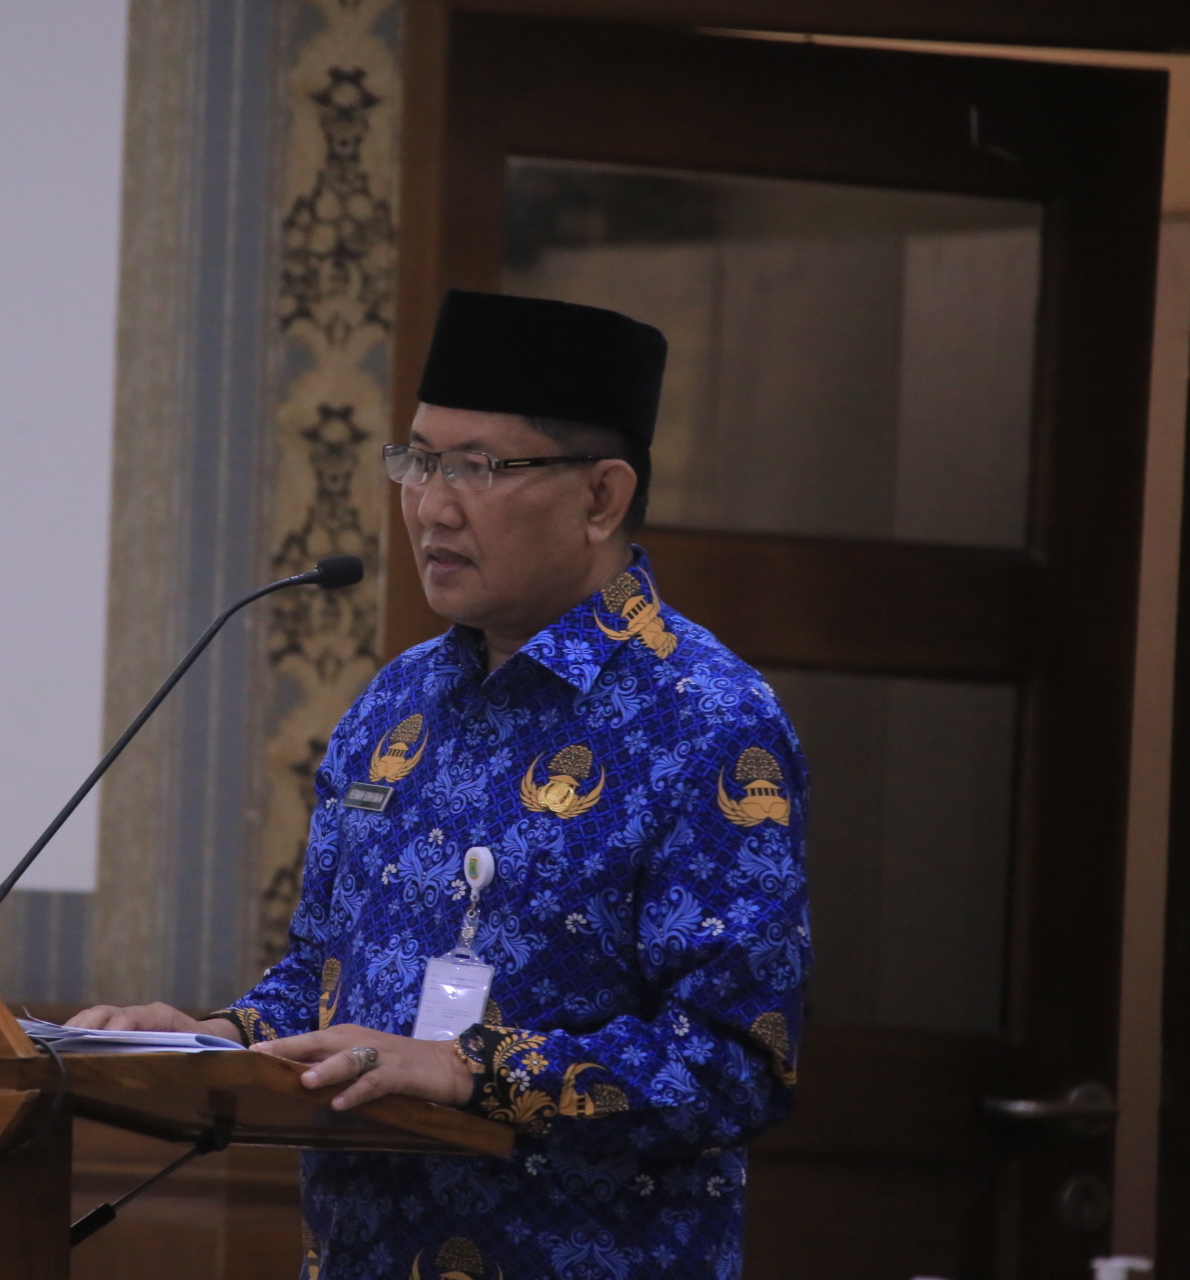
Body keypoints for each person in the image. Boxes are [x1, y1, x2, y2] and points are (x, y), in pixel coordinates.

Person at [70, 289, 809, 1279]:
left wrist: (471, 1070)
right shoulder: (397, 704)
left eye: (479, 468)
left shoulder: (709, 719)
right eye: (419, 461)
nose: (431, 505)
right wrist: (212, 1040)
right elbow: (324, 979)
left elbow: (735, 1064)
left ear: (600, 498)